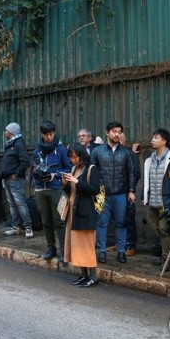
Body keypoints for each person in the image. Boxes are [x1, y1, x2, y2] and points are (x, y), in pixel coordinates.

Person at [91, 121, 136, 264]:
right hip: (101, 193)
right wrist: (95, 190)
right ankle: (101, 251)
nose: (117, 134)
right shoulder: (97, 151)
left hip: (121, 193)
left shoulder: (126, 153)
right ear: (107, 132)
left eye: (119, 132)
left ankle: (121, 251)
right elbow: (92, 172)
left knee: (121, 223)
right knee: (101, 223)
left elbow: (131, 172)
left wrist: (131, 191)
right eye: (114, 131)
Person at [142, 128, 170, 268]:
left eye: (156, 137)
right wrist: (144, 196)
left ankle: (167, 259)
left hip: (166, 203)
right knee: (159, 230)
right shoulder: (149, 160)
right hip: (152, 203)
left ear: (164, 141)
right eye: (153, 137)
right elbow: (146, 180)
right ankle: (166, 255)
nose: (152, 140)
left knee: (165, 230)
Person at [62, 142, 101, 287]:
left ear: (81, 155)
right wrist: (65, 183)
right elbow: (70, 191)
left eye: (75, 157)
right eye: (71, 157)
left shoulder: (92, 169)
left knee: (86, 246)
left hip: (85, 212)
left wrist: (77, 181)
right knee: (76, 246)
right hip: (73, 212)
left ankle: (93, 277)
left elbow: (95, 189)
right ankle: (83, 275)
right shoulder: (73, 169)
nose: (72, 160)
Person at [32, 120, 72, 261]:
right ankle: (51, 248)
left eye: (51, 134)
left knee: (60, 220)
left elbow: (69, 168)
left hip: (57, 189)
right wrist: (36, 173)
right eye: (46, 135)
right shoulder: (37, 151)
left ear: (54, 132)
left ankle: (64, 251)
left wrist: (55, 175)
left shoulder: (61, 149)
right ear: (42, 135)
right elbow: (34, 168)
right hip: (40, 190)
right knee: (46, 222)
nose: (49, 137)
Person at [0, 122, 34, 238]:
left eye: (6, 130)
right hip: (7, 178)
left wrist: (17, 173)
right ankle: (16, 227)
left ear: (11, 132)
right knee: (12, 204)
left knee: (19, 203)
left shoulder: (18, 143)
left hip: (15, 179)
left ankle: (28, 226)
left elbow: (25, 161)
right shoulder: (10, 143)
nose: (4, 132)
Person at [120, 132, 141, 256]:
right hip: (115, 192)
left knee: (129, 218)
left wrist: (130, 189)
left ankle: (131, 245)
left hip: (127, 191)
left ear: (122, 141)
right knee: (118, 219)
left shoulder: (130, 155)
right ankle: (121, 244)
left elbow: (136, 173)